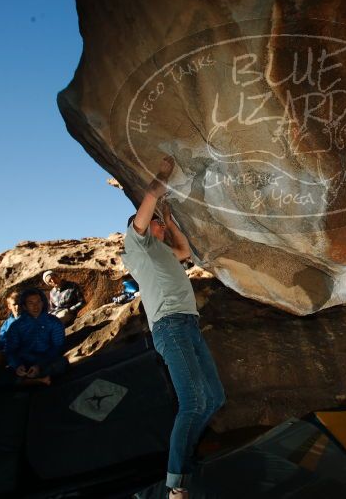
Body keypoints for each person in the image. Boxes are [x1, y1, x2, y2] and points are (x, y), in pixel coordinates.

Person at [122, 155, 225, 499]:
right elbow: (149, 199)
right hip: (169, 327)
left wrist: (169, 220)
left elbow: (183, 249)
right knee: (193, 402)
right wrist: (164, 173)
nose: (160, 229)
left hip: (189, 326)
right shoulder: (137, 247)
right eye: (155, 225)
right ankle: (175, 485)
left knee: (214, 398)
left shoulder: (164, 252)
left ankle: (186, 460)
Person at [3, 288, 67, 386]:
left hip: (47, 361)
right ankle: (37, 380)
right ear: (24, 306)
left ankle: (27, 382)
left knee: (62, 363)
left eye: (38, 302)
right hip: (24, 362)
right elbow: (10, 349)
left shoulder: (54, 322)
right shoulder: (16, 326)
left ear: (43, 303)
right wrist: (17, 365)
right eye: (30, 303)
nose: (35, 306)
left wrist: (39, 366)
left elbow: (57, 347)